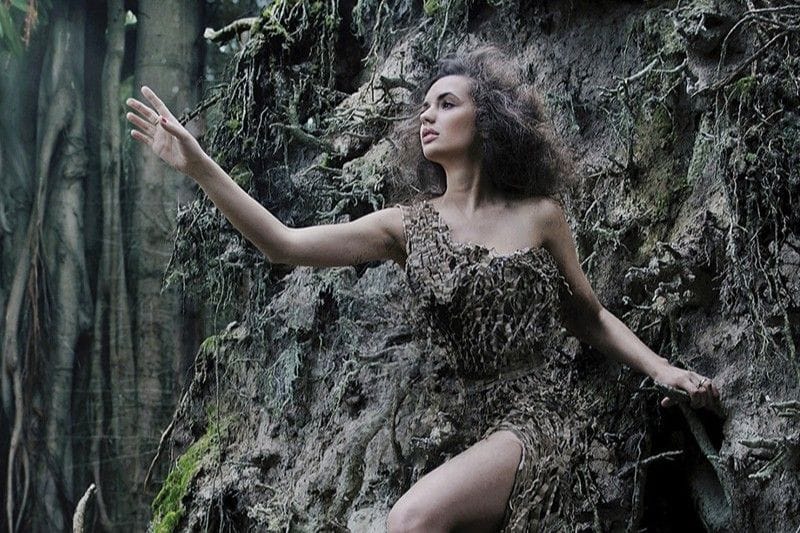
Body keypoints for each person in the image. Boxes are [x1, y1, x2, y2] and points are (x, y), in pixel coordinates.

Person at [127, 45, 720, 532]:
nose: (426, 116)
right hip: (470, 425)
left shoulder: (541, 215)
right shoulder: (407, 224)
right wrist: (200, 166)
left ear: (486, 119)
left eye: (447, 102)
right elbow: (283, 244)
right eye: (424, 107)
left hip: (544, 416)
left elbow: (588, 317)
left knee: (409, 520)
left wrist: (662, 368)